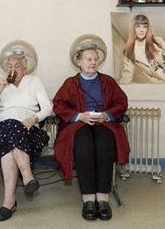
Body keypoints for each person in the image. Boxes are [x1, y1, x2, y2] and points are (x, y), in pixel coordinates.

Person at [53, 40, 130, 221]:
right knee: (83, 145)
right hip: (79, 124)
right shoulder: (70, 83)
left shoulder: (108, 82)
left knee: (105, 144)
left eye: (95, 59)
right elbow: (59, 104)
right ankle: (88, 199)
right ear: (78, 61)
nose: (93, 62)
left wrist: (107, 114)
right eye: (88, 59)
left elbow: (121, 102)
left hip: (104, 123)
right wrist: (79, 116)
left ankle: (102, 198)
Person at [0, 53, 52, 221]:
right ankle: (27, 176)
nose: (13, 70)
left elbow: (47, 108)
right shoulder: (0, 83)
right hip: (5, 127)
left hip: (28, 128)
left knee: (9, 142)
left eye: (17, 66)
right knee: (10, 127)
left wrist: (33, 118)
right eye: (10, 67)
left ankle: (9, 202)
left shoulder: (34, 81)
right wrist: (0, 89)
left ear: (25, 68)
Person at [119, 14, 165, 83]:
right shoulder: (129, 50)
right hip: (159, 83)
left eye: (144, 26)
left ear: (147, 29)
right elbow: (127, 75)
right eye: (138, 26)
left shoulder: (158, 41)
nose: (141, 30)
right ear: (133, 28)